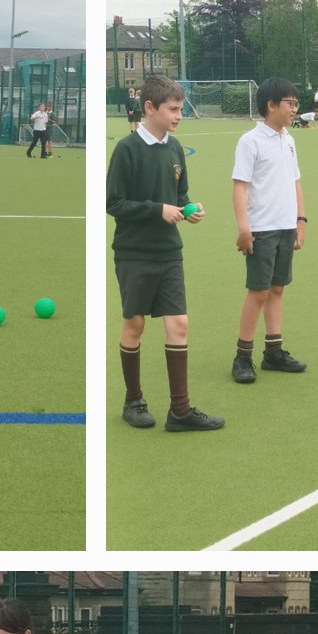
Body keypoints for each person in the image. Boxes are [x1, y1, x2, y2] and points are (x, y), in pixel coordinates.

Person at [106, 73, 225, 433]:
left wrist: (189, 210)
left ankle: (180, 410)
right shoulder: (126, 149)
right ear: (149, 108)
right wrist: (157, 210)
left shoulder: (175, 150)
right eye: (172, 109)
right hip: (134, 252)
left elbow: (180, 196)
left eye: (180, 109)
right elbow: (113, 202)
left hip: (169, 251)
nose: (178, 115)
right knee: (136, 324)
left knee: (179, 324)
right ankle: (134, 400)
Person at [230, 77, 309, 386]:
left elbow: (295, 181)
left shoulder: (289, 139)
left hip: (286, 225)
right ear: (271, 105)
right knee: (259, 291)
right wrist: (243, 228)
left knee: (277, 289)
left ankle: (273, 352)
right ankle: (243, 356)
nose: (294, 109)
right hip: (261, 229)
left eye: (295, 103)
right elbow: (240, 187)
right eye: (290, 103)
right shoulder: (250, 141)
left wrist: (301, 220)